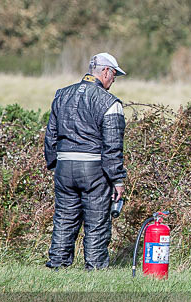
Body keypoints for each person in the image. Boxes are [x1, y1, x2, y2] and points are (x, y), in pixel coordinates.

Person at [44, 53, 128, 270]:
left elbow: (51, 136)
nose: (113, 81)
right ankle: (96, 268)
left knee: (64, 217)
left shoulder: (61, 95)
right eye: (114, 76)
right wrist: (118, 179)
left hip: (64, 168)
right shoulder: (110, 103)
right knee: (97, 221)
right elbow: (112, 147)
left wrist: (55, 164)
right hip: (93, 170)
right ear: (106, 72)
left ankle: (57, 265)